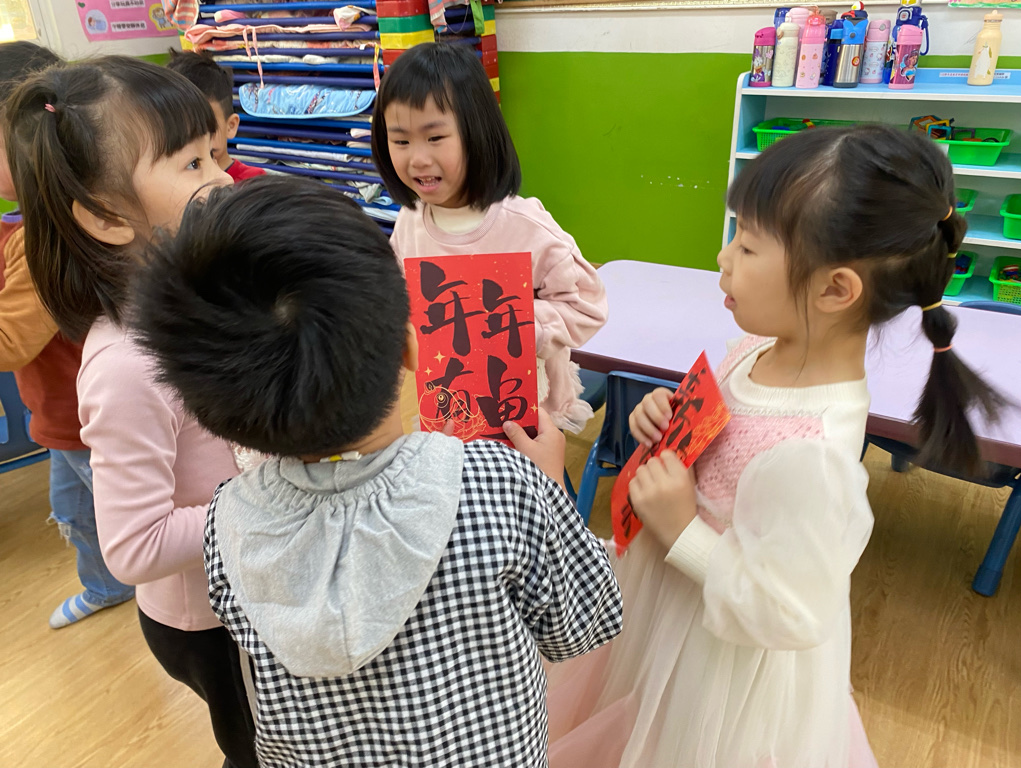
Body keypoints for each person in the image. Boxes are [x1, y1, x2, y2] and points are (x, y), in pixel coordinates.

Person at [546, 125, 1006, 768]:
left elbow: (787, 611)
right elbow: (723, 433)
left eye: (748, 244)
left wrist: (682, 529)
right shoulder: (763, 347)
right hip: (667, 608)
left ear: (835, 289)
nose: (723, 257)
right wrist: (667, 417)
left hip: (716, 660)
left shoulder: (812, 454)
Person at [129, 174, 623, 767]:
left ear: (211, 411)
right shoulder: (501, 485)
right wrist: (547, 485)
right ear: (413, 351)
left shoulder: (225, 522)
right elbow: (582, 625)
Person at [6, 56, 257, 768]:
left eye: (215, 154)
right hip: (210, 621)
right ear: (108, 217)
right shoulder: (125, 366)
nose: (220, 178)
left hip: (254, 584)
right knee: (262, 750)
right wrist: (271, 501)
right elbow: (135, 545)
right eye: (192, 164)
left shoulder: (200, 291)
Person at [371, 42, 607, 434]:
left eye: (435, 137)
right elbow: (398, 295)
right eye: (401, 141)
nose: (418, 159)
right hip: (449, 407)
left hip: (529, 415)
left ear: (476, 133)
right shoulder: (410, 222)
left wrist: (521, 325)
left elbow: (587, 307)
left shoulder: (525, 226)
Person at [0, 40, 134, 629]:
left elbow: (11, 340)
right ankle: (107, 584)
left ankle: (143, 586)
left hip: (81, 416)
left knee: (111, 511)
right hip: (60, 415)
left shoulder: (40, 240)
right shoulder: (33, 224)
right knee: (75, 509)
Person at [166, 49, 265, 183]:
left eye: (205, 126)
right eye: (180, 126)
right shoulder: (172, 183)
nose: (193, 137)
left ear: (230, 126)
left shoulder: (254, 182)